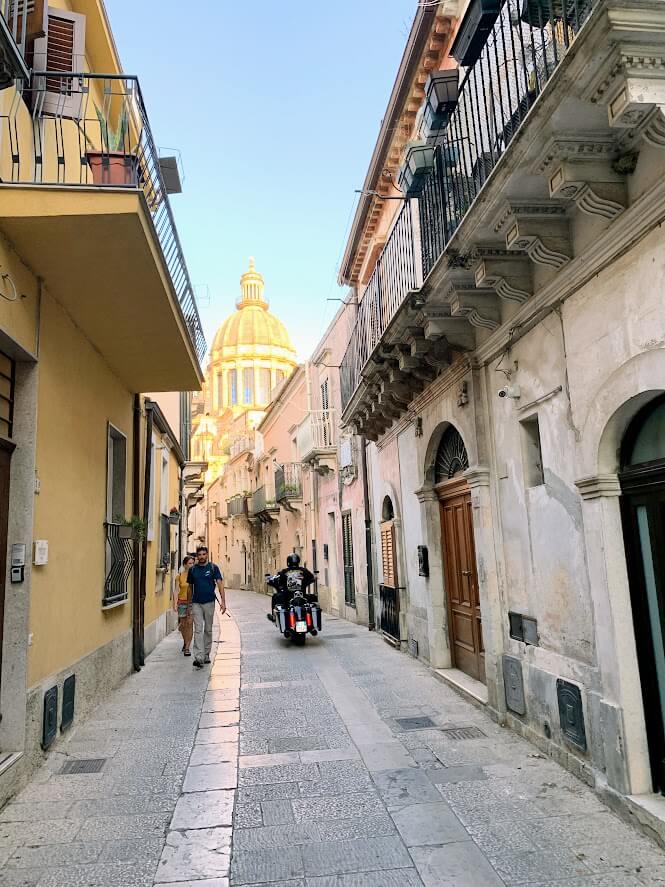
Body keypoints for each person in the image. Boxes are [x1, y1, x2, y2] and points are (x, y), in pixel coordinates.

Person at [187, 546, 226, 669]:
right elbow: (190, 588)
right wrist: (189, 605)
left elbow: (220, 584)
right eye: (199, 555)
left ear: (207, 555)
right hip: (196, 603)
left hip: (209, 602)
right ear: (197, 556)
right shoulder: (192, 570)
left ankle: (206, 654)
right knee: (198, 629)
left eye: (204, 554)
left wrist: (223, 602)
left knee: (208, 629)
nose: (202, 557)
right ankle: (198, 657)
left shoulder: (213, 568)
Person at [267, 552, 315, 620]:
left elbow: (279, 581)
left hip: (287, 597)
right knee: (313, 598)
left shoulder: (284, 571)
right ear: (298, 561)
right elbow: (311, 578)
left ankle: (274, 617)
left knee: (275, 596)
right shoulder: (304, 570)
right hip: (302, 595)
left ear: (288, 562)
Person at [174, 555, 195, 656]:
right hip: (182, 602)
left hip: (192, 603)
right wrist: (175, 603)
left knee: (189, 624)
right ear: (185, 565)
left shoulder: (195, 575)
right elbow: (176, 590)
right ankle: (185, 641)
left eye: (193, 563)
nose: (192, 565)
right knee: (183, 625)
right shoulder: (179, 576)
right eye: (190, 563)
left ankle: (187, 647)